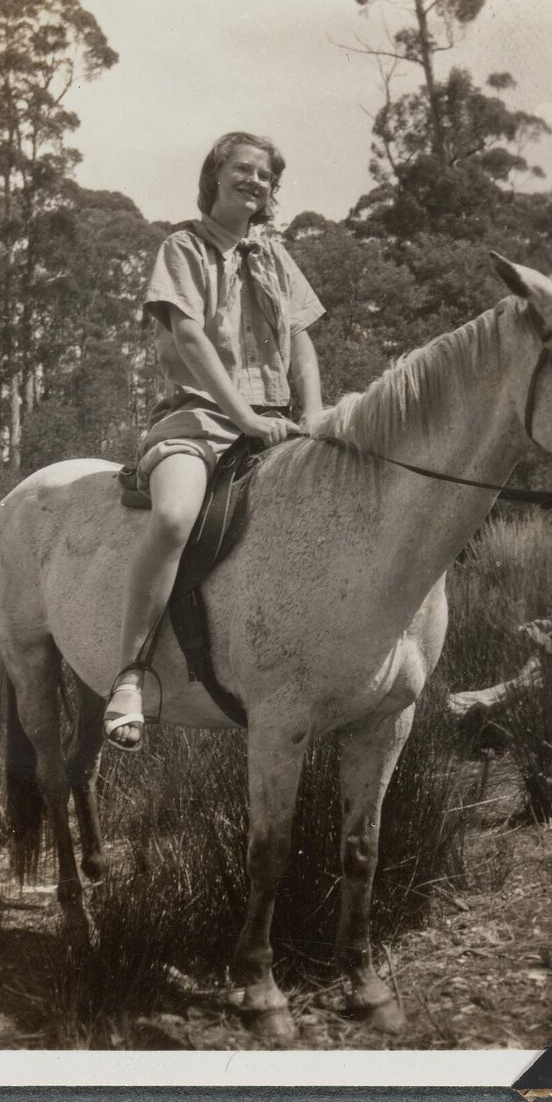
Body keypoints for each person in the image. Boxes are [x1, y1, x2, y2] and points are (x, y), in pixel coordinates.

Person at [104, 131, 325, 750]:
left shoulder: (275, 256)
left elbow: (302, 339)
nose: (256, 181)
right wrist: (247, 420)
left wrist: (311, 412)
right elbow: (191, 340)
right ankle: (130, 676)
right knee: (175, 517)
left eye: (267, 176)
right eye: (243, 169)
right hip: (199, 418)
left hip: (280, 420)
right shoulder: (184, 248)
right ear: (216, 175)